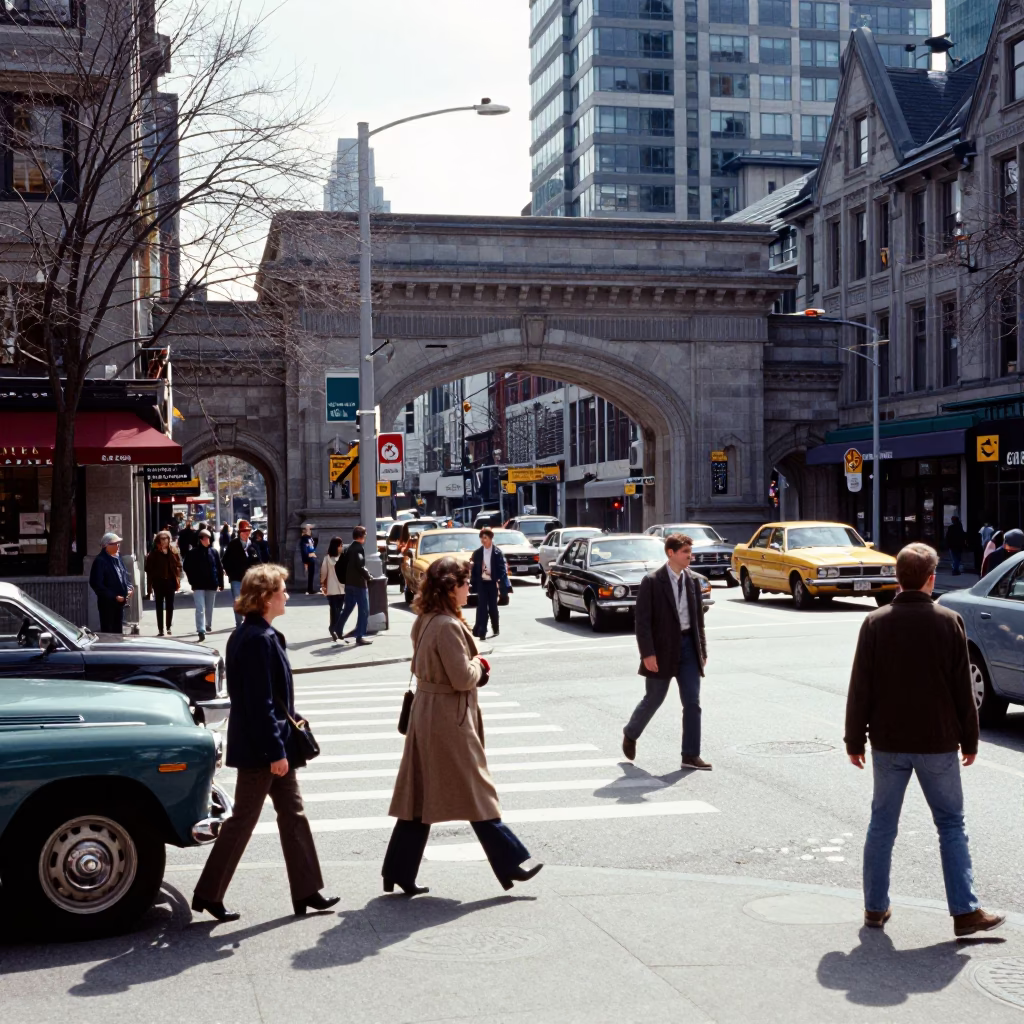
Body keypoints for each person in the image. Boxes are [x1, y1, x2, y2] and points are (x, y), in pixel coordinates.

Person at [845, 542, 1004, 937]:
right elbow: (961, 689)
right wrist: (971, 739)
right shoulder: (948, 621)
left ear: (898, 578)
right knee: (950, 824)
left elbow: (860, 687)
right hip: (937, 741)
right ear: (932, 578)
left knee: (882, 824)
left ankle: (874, 907)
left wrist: (854, 740)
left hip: (888, 740)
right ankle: (965, 912)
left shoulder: (876, 623)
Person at [383, 556, 543, 894]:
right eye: (465, 583)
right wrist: (480, 664)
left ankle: (397, 869)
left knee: (419, 795)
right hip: (449, 718)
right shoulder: (447, 626)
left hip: (428, 714)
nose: (469, 587)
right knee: (476, 790)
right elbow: (461, 677)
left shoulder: (425, 619)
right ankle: (511, 861)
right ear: (450, 588)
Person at [191, 564, 339, 922]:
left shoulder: (253, 634)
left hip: (272, 742)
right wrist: (275, 752)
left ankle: (306, 891)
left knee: (293, 814)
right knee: (243, 819)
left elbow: (271, 696)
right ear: (266, 598)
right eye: (282, 590)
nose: (287, 595)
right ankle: (209, 893)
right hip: (264, 748)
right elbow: (260, 704)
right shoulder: (258, 639)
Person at [622, 533, 711, 771]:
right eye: (685, 553)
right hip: (661, 651)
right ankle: (631, 733)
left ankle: (691, 755)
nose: (690, 557)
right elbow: (642, 622)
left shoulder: (693, 581)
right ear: (671, 553)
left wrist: (702, 649)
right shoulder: (652, 581)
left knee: (692, 702)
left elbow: (698, 619)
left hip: (689, 648)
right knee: (654, 699)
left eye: (690, 553)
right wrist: (647, 654)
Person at [89, 532, 134, 634]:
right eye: (115, 544)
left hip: (119, 604)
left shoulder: (117, 558)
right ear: (106, 546)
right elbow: (96, 584)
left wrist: (129, 587)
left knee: (118, 631)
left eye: (118, 543)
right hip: (107, 604)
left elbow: (124, 575)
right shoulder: (100, 561)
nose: (118, 546)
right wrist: (114, 596)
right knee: (109, 632)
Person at [470, 527, 510, 640]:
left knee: (493, 607)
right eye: (481, 538)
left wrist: (498, 580)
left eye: (485, 538)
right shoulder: (477, 553)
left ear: (490, 538)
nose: (483, 540)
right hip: (482, 583)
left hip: (492, 583)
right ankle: (482, 631)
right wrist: (473, 583)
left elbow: (502, 569)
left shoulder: (497, 553)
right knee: (482, 607)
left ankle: (495, 627)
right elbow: (474, 570)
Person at [183, 529, 224, 641]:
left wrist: (221, 583)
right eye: (205, 538)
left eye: (209, 538)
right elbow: (186, 567)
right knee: (200, 608)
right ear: (200, 540)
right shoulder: (193, 553)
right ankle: (201, 630)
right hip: (198, 585)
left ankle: (207, 624)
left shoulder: (213, 552)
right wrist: (192, 580)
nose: (207, 540)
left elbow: (219, 567)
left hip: (211, 584)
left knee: (209, 608)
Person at [335, 525, 372, 645]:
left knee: (348, 607)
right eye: (365, 535)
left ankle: (338, 629)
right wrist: (368, 576)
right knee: (364, 610)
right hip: (359, 584)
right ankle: (360, 636)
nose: (365, 537)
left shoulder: (348, 548)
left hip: (349, 583)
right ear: (361, 537)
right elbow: (360, 566)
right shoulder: (358, 549)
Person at [223, 519, 260, 627]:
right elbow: (225, 560)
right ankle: (239, 623)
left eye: (248, 531)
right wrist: (230, 572)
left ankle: (248, 621)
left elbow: (259, 561)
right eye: (244, 531)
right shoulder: (233, 544)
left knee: (250, 601)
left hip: (250, 579)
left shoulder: (253, 545)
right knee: (238, 601)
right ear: (240, 532)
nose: (246, 533)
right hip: (236, 579)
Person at [145, 530, 182, 636]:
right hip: (158, 582)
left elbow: (179, 565)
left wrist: (177, 576)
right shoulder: (154, 553)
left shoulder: (173, 551)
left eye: (166, 539)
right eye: (162, 539)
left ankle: (168, 626)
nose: (164, 541)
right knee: (159, 606)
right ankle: (160, 629)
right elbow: (148, 568)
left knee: (170, 605)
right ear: (158, 540)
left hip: (170, 582)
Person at [320, 536, 346, 642]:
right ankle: (334, 628)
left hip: (335, 588)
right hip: (339, 588)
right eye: (340, 545)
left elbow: (323, 573)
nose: (342, 547)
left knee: (336, 609)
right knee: (337, 609)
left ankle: (335, 628)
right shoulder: (341, 558)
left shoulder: (327, 558)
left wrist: (323, 583)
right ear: (337, 546)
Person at [300, 523, 318, 595]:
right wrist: (306, 558)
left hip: (312, 557)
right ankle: (309, 589)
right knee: (310, 574)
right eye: (309, 529)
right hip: (309, 558)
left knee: (312, 573)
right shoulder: (304, 539)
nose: (310, 531)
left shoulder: (310, 538)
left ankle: (310, 588)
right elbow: (304, 549)